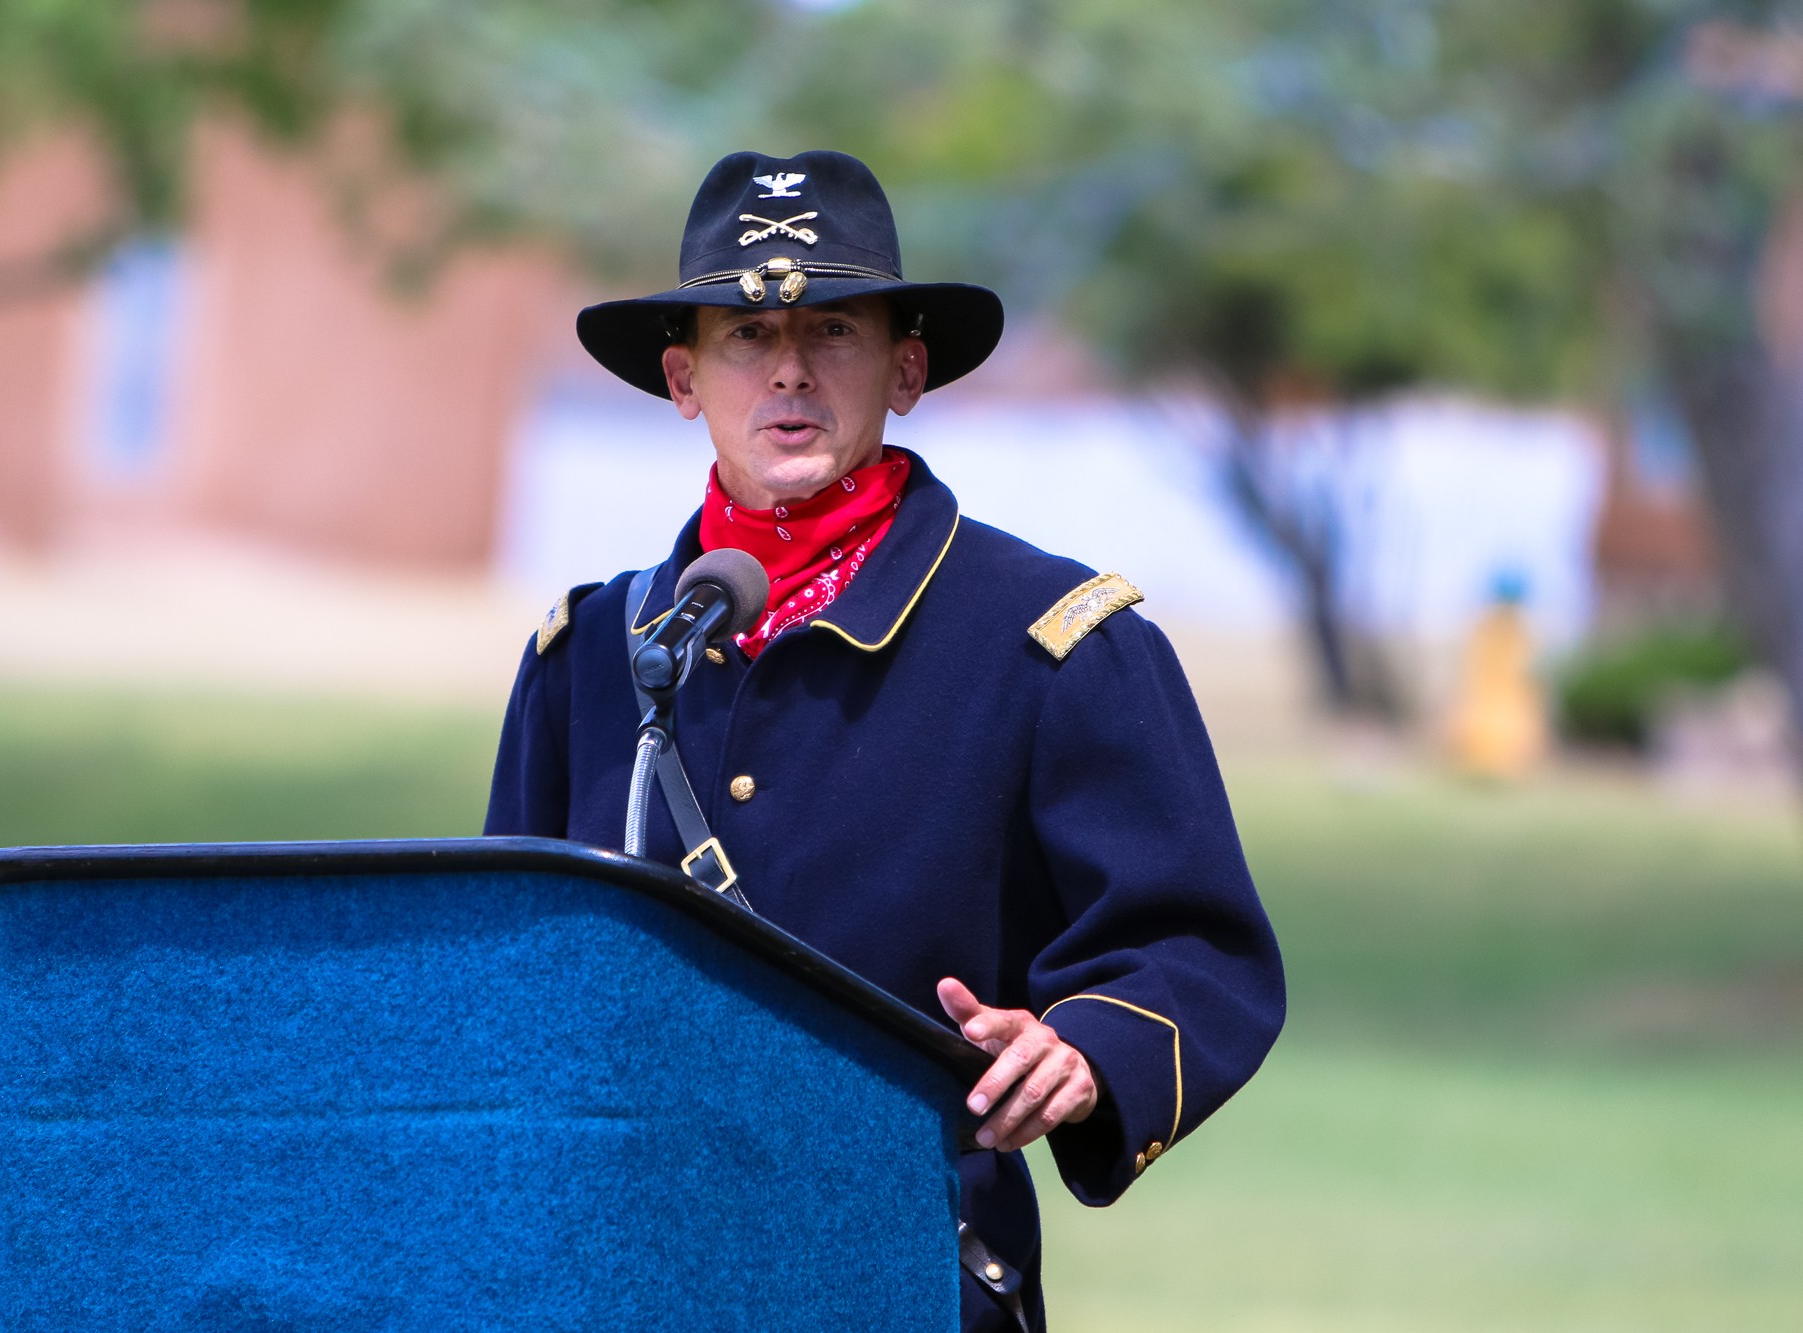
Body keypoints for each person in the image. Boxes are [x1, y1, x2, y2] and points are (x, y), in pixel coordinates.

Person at [485, 149, 1284, 1331]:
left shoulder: (1050, 644)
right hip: (622, 1276)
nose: (790, 371)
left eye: (836, 332)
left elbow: (1193, 947)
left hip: (907, 1273)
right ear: (681, 379)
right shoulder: (587, 656)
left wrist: (1082, 1048)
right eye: (745, 338)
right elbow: (511, 995)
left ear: (906, 369)